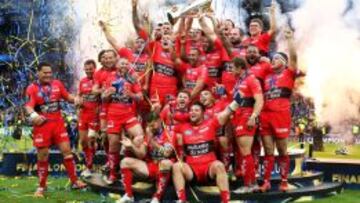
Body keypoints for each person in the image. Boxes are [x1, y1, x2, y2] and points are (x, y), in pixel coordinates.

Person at [24, 62, 86, 197]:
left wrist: (76, 100)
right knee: (43, 156)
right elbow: (28, 106)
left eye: (50, 72)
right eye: (45, 72)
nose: (48, 75)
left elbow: (68, 97)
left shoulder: (57, 84)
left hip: (58, 124)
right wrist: (34, 115)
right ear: (38, 73)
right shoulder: (32, 88)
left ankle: (75, 181)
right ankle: (41, 186)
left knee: (67, 153)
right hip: (42, 127)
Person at [172, 100, 244, 203]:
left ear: (203, 113)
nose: (192, 112)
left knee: (219, 165)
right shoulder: (183, 126)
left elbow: (227, 112)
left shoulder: (211, 123)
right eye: (191, 110)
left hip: (209, 169)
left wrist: (238, 100)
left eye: (196, 110)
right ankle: (182, 200)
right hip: (192, 171)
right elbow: (172, 118)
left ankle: (225, 201)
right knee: (176, 166)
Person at [259, 29, 299, 192]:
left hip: (281, 116)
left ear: (284, 62)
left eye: (277, 58)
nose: (273, 60)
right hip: (265, 116)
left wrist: (290, 40)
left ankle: (284, 181)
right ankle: (267, 181)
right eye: (272, 58)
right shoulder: (267, 76)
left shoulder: (289, 73)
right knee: (268, 150)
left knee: (282, 150)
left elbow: (294, 58)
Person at [101, 57, 145, 184]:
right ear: (116, 65)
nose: (124, 65)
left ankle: (132, 168)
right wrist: (106, 95)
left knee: (139, 136)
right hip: (113, 115)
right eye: (122, 63)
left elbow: (140, 97)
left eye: (127, 63)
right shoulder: (109, 78)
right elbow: (103, 100)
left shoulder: (133, 79)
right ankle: (113, 174)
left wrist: (131, 95)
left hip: (129, 115)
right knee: (114, 144)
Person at [117, 112, 175, 203]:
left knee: (165, 163)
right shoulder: (149, 134)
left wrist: (152, 141)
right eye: (149, 126)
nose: (151, 128)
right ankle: (129, 195)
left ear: (159, 121)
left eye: (153, 125)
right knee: (125, 161)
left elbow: (167, 153)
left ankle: (157, 198)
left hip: (166, 168)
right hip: (151, 165)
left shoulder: (169, 132)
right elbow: (142, 154)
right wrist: (131, 146)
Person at [230, 58, 264, 193]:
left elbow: (260, 100)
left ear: (240, 68)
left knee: (246, 152)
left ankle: (249, 185)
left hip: (246, 116)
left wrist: (253, 117)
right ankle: (251, 184)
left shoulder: (251, 79)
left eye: (232, 68)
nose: (231, 71)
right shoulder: (239, 81)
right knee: (244, 153)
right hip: (238, 117)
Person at [77, 59, 100, 178]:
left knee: (91, 139)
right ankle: (89, 160)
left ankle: (89, 166)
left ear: (95, 68)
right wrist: (78, 101)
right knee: (83, 141)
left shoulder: (99, 80)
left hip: (95, 116)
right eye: (86, 69)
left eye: (90, 69)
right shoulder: (82, 81)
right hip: (83, 115)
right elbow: (80, 96)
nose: (88, 71)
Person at [199, 89, 231, 171]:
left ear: (212, 97)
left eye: (206, 94)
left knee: (223, 139)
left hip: (221, 136)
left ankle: (226, 169)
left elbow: (230, 113)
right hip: (206, 138)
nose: (202, 96)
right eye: (201, 95)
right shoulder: (198, 110)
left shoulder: (221, 103)